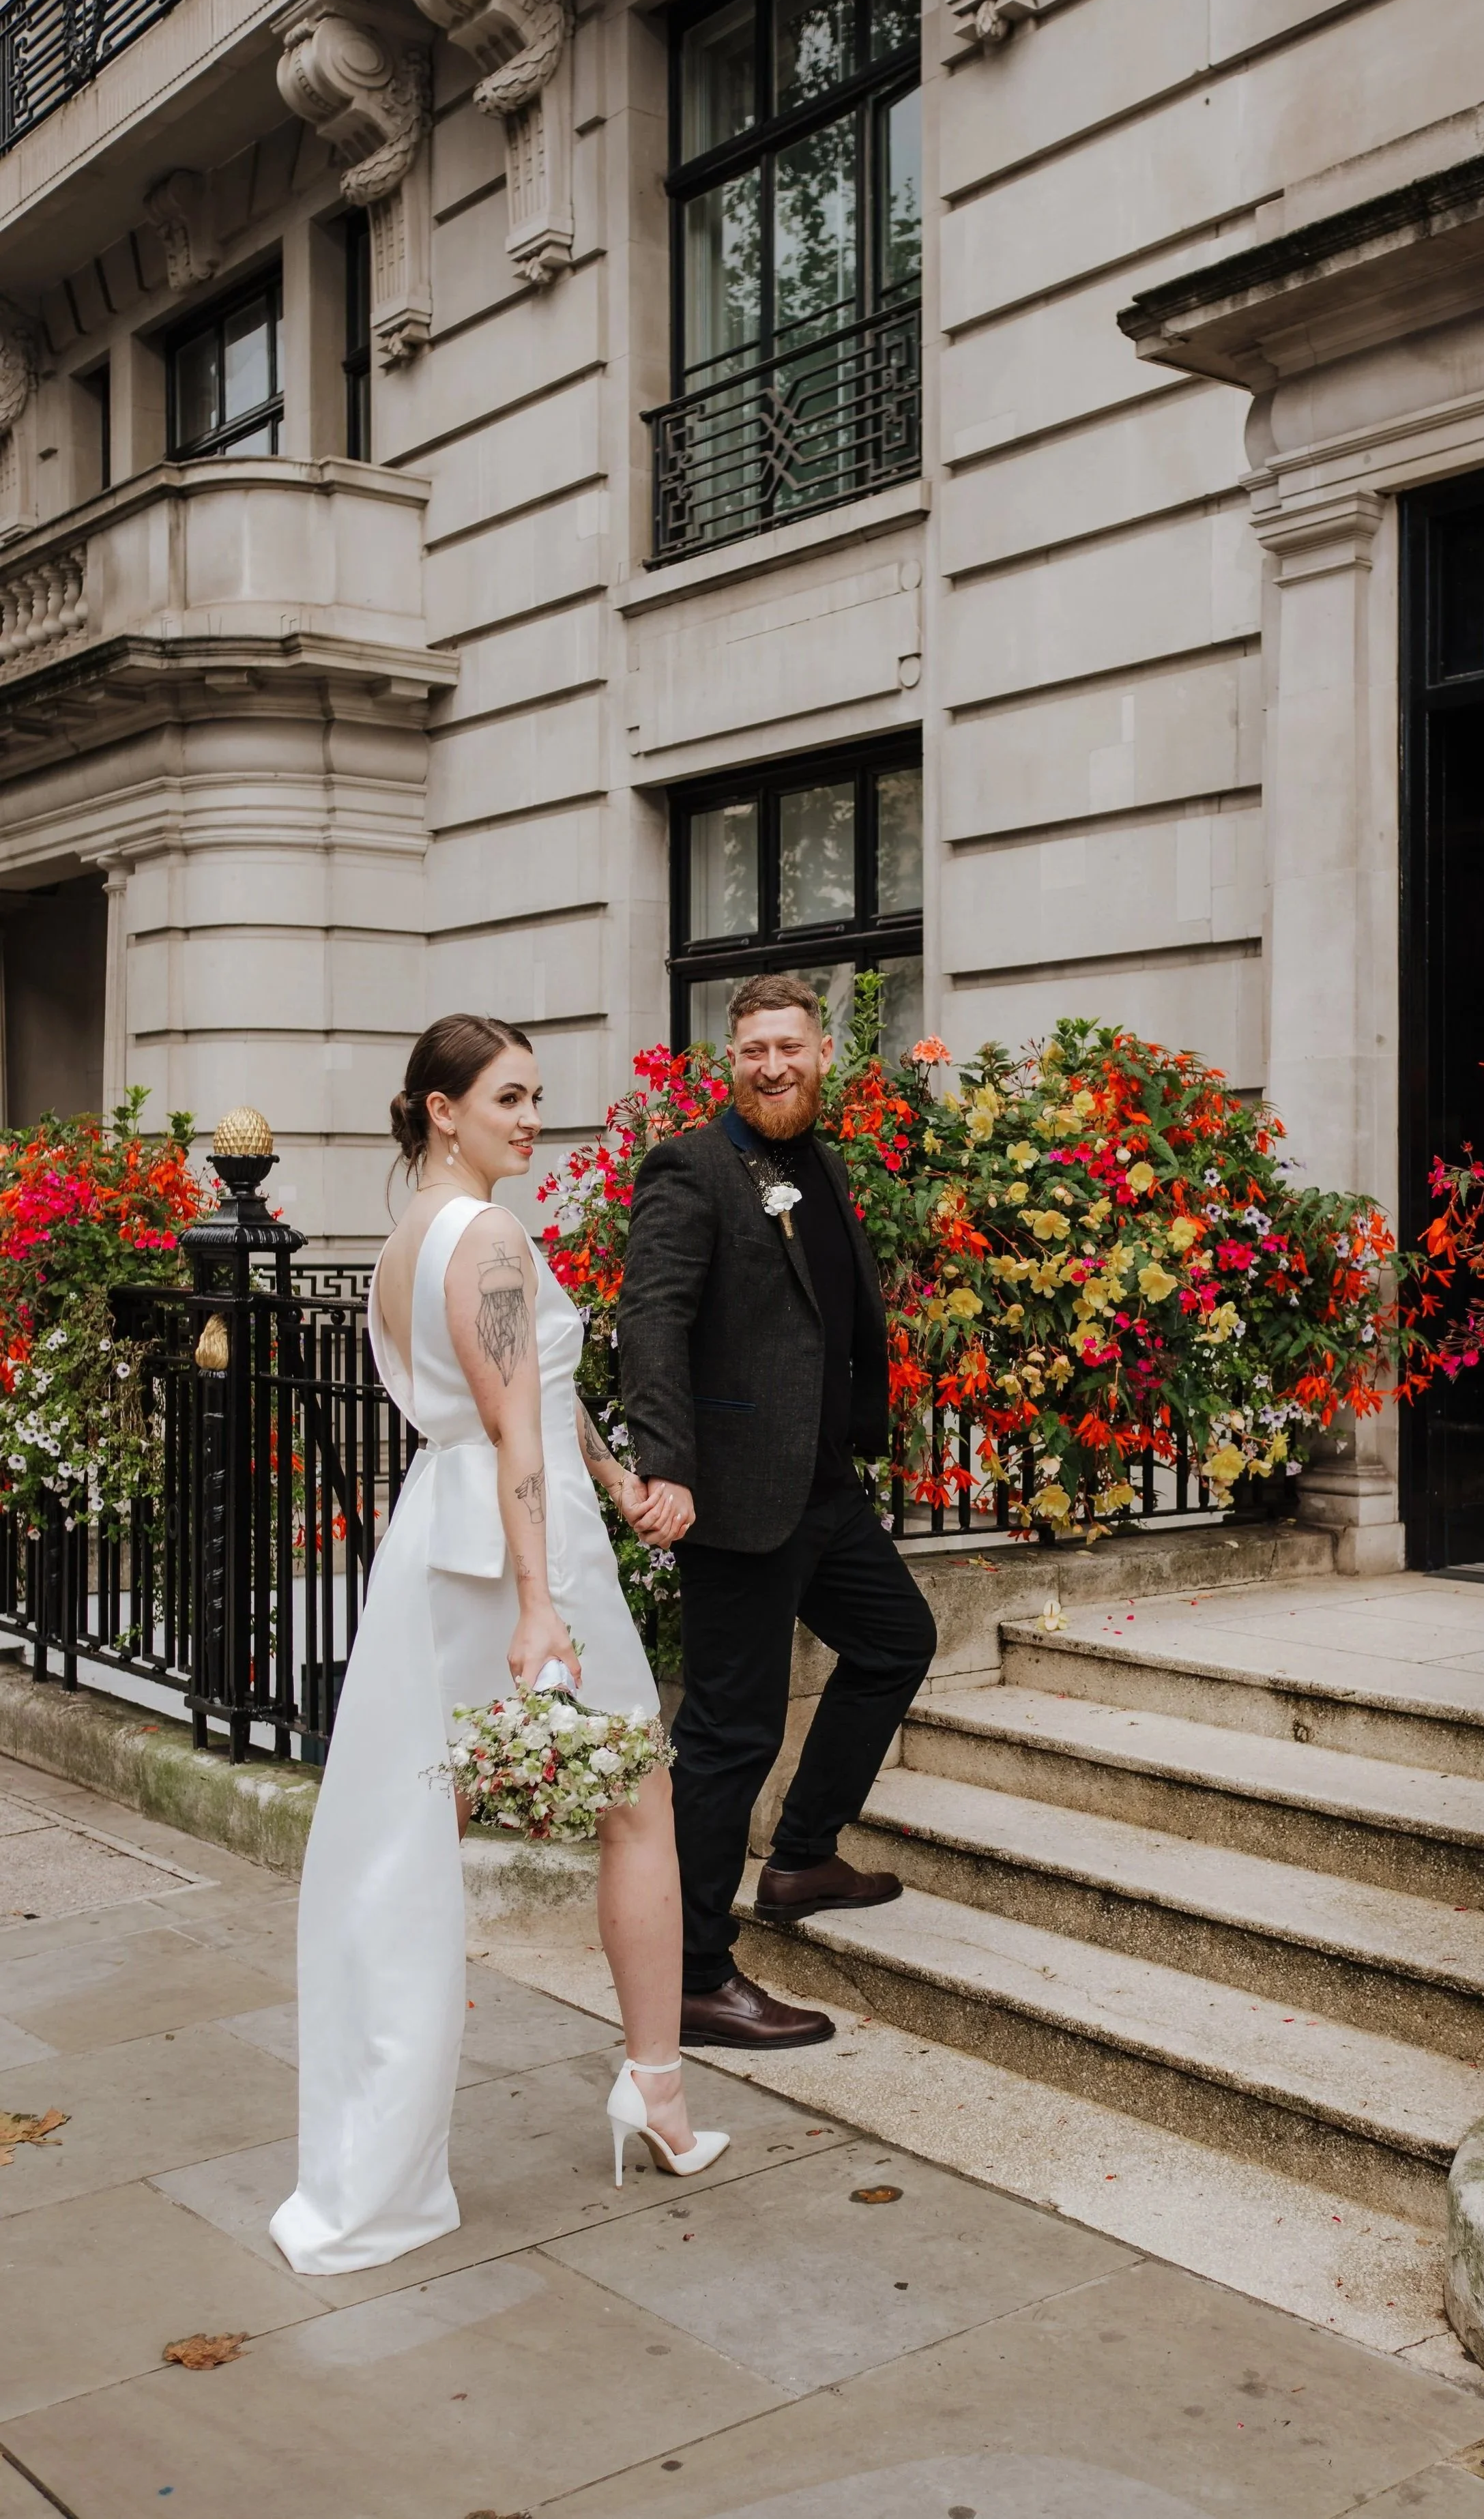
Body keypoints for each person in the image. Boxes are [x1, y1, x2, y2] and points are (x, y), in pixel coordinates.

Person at [270, 1014, 725, 2277]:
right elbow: (515, 1429)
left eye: (537, 1097)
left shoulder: (410, 1242)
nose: (533, 1118)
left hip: (452, 1534)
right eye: (511, 1098)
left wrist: (615, 1471)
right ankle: (657, 2091)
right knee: (638, 1796)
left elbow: (528, 1402)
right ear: (440, 1109)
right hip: (524, 1555)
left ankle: (403, 2118)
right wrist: (544, 1600)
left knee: (422, 1819)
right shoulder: (490, 1236)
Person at [617, 974, 937, 2049]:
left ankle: (800, 1855)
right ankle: (698, 1973)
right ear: (731, 1058)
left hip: (819, 1488)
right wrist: (665, 1465)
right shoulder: (693, 1166)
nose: (771, 1065)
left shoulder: (820, 1161)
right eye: (752, 1048)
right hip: (734, 1499)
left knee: (898, 1640)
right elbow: (651, 1320)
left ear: (820, 1052)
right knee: (726, 1735)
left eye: (788, 1046)